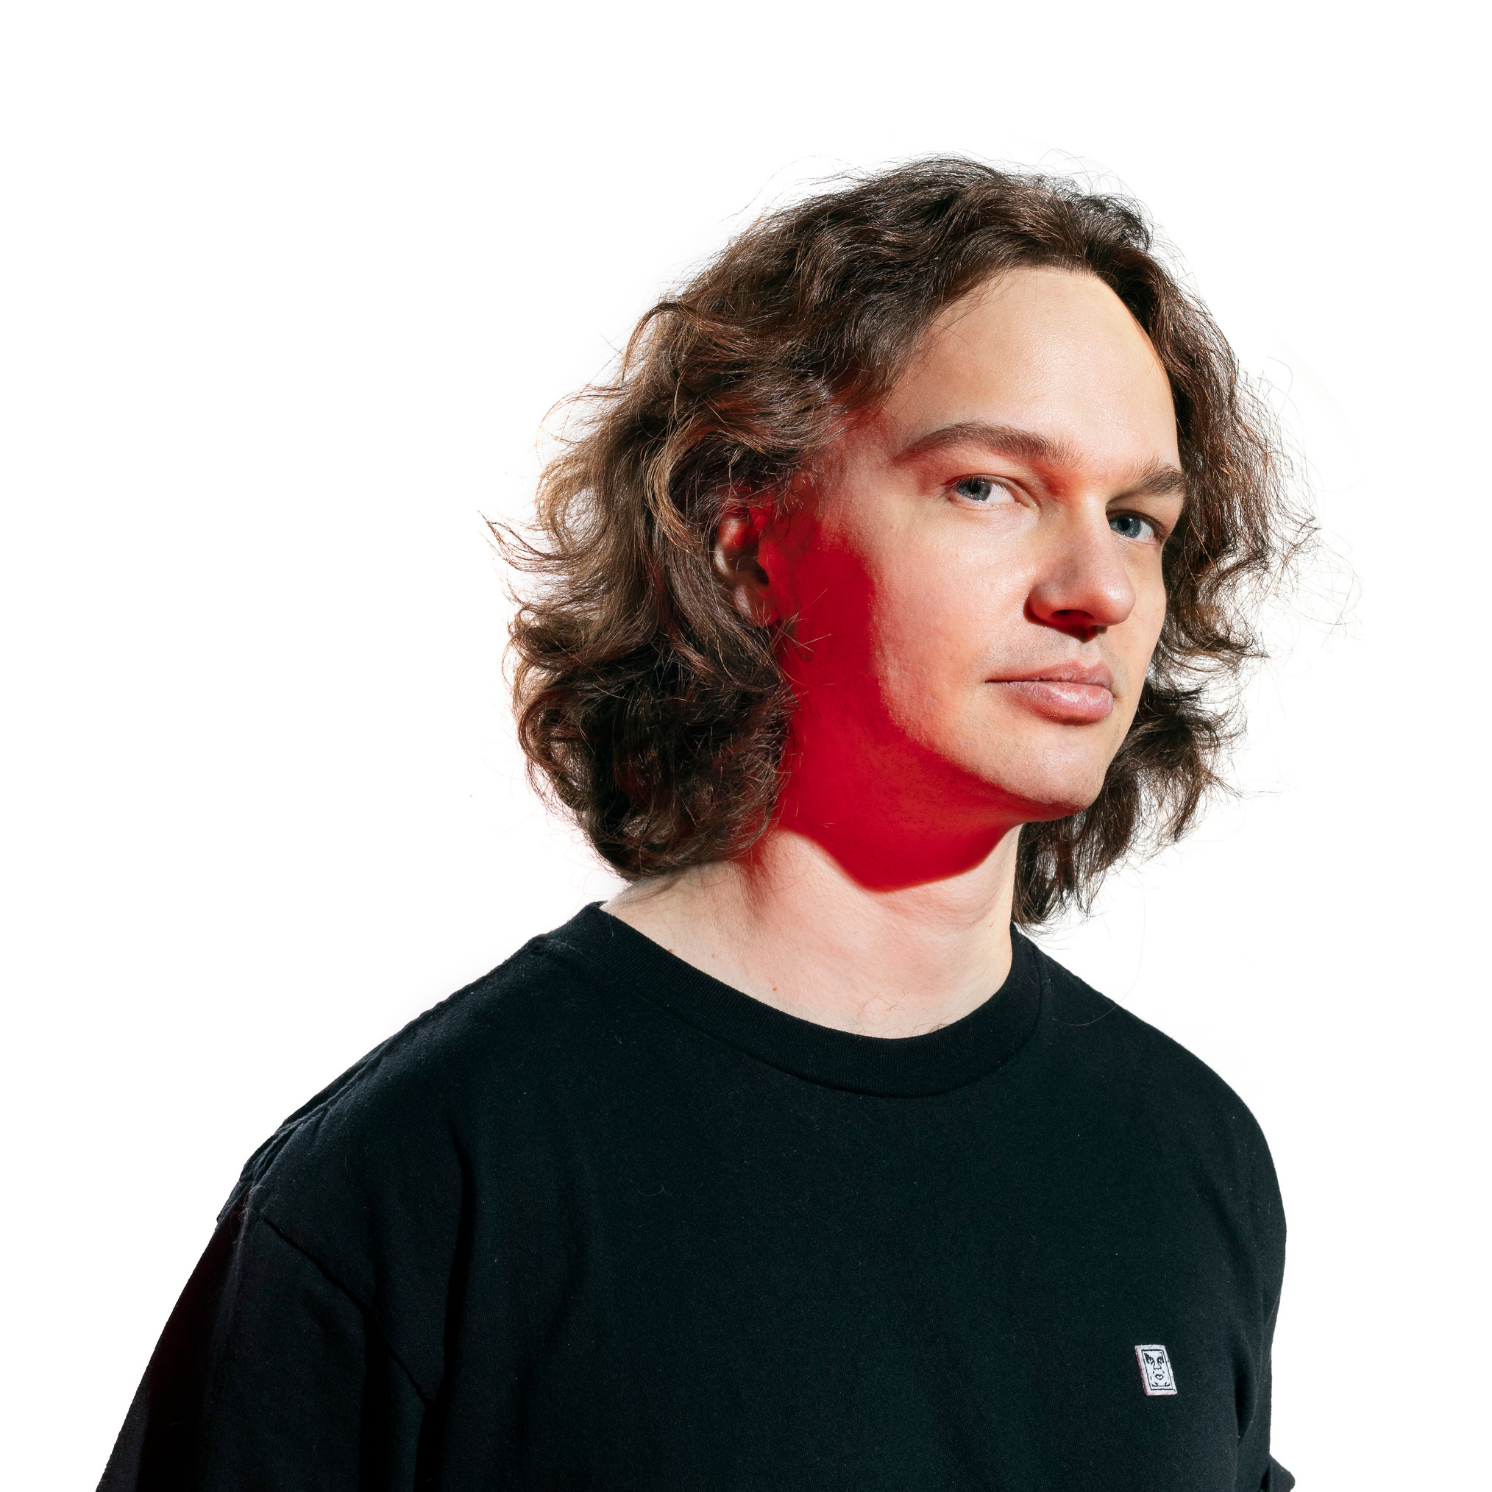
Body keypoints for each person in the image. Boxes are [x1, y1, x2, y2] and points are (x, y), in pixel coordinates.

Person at [101, 158, 1303, 1491]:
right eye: (988, 486)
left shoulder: (1185, 1159)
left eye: (1136, 519)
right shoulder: (428, 1179)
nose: (1097, 589)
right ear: (749, 535)